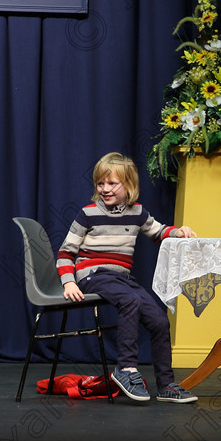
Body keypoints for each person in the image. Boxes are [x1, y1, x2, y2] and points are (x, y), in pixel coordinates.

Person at [57, 152, 198, 403]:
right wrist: (68, 281)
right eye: (101, 183)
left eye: (112, 183)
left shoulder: (137, 213)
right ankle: (126, 368)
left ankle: (166, 384)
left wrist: (178, 231)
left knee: (159, 321)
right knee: (131, 300)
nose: (105, 189)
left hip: (122, 279)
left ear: (129, 185)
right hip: (93, 274)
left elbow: (158, 232)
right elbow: (66, 252)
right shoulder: (88, 214)